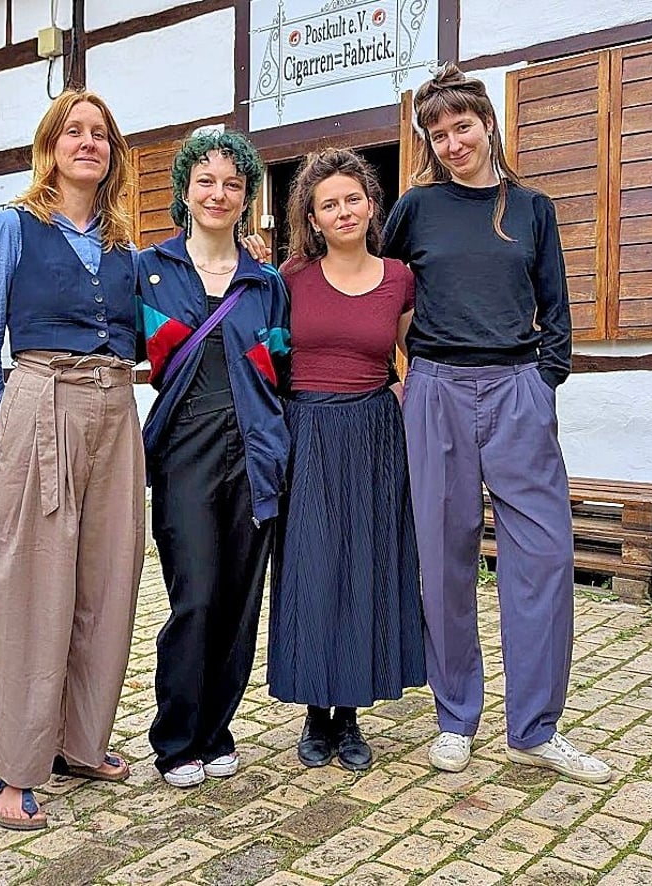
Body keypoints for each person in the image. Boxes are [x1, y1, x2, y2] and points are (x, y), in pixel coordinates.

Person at [382, 63, 611, 784]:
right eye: (438, 132)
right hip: (437, 390)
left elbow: (558, 309)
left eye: (462, 127)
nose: (452, 142)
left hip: (517, 388)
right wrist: (398, 379)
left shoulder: (532, 208)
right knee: (443, 559)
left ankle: (536, 727)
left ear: (487, 124)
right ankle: (455, 717)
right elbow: (374, 291)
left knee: (542, 557)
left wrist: (544, 383)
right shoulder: (416, 209)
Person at [0, 89, 146, 829]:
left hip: (116, 404)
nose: (89, 142)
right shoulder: (10, 226)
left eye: (101, 133)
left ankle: (79, 741)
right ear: (51, 145)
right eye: (75, 130)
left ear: (113, 154)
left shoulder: (123, 243)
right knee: (32, 587)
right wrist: (12, 419)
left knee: (108, 580)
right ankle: (15, 766)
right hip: (44, 393)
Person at [139, 130, 291, 788]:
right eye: (206, 181)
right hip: (182, 453)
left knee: (239, 601)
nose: (218, 193)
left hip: (253, 452)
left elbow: (278, 370)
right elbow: (118, 359)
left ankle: (217, 728)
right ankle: (176, 739)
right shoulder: (148, 270)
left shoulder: (266, 282)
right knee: (194, 597)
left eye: (232, 183)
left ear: (247, 197)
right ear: (184, 191)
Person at [268, 148, 424, 771]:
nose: (342, 211)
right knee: (309, 565)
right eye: (328, 203)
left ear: (370, 204)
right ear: (311, 214)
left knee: (366, 566)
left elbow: (417, 354)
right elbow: (272, 357)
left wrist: (402, 391)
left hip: (374, 433)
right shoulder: (289, 277)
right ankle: (313, 711)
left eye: (352, 199)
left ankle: (351, 715)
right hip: (306, 428)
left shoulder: (399, 278)